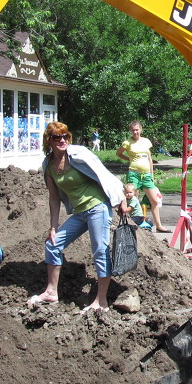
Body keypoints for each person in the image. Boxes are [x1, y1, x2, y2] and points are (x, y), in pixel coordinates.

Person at [30, 122, 127, 312]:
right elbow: (54, 198)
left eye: (65, 136)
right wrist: (53, 227)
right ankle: (51, 292)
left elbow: (103, 173)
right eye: (57, 137)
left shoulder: (78, 153)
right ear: (48, 140)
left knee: (100, 250)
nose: (62, 140)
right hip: (80, 212)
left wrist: (121, 197)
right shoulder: (48, 165)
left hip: (98, 207)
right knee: (52, 244)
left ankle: (101, 300)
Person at [116, 120, 167, 232]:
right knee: (132, 198)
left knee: (154, 200)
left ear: (141, 130)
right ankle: (130, 222)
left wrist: (152, 175)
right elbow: (118, 153)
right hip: (134, 174)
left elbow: (149, 159)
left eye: (137, 130)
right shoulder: (127, 143)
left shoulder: (146, 142)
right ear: (130, 131)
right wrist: (129, 159)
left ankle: (159, 226)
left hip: (146, 175)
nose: (135, 132)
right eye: (133, 130)